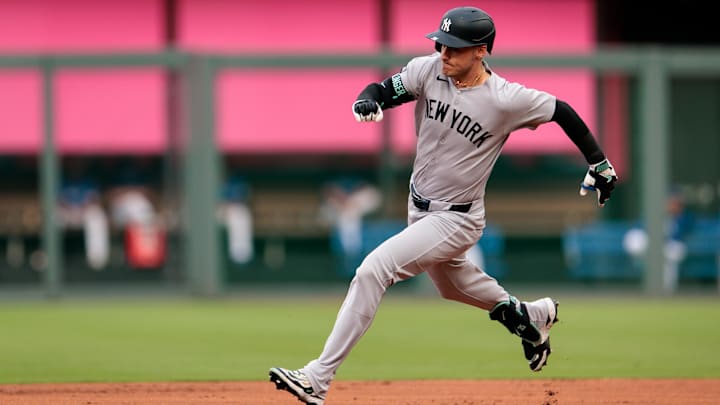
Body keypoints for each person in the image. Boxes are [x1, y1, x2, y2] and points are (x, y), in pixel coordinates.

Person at [269, 6, 618, 405]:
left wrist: (600, 164)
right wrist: (367, 102)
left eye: (455, 46)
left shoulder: (506, 99)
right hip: (419, 207)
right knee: (452, 287)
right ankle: (530, 316)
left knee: (372, 270)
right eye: (441, 43)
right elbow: (384, 90)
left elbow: (563, 111)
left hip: (457, 218)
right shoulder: (428, 69)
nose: (444, 52)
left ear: (482, 51)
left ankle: (318, 378)